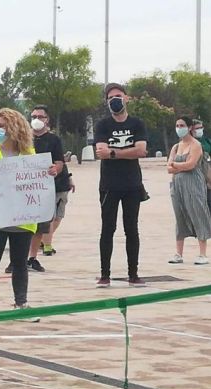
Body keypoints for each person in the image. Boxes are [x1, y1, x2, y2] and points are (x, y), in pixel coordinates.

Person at [0, 108, 46, 321]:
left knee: (20, 262)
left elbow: (38, 183)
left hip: (22, 217)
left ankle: (21, 303)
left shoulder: (29, 156)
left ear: (14, 128)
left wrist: (48, 174)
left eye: (2, 125)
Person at [94, 83, 148, 288]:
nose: (114, 100)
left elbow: (142, 150)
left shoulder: (137, 124)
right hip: (109, 184)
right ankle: (104, 274)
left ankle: (133, 274)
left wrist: (114, 153)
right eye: (110, 98)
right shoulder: (103, 125)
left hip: (132, 183)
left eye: (118, 96)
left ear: (126, 98)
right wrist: (126, 151)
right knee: (108, 229)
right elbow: (101, 151)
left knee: (131, 228)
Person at [10, 105, 69, 273]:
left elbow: (59, 161)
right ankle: (16, 259)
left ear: (47, 119)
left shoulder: (54, 140)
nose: (36, 119)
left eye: (40, 116)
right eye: (33, 115)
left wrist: (55, 169)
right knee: (20, 224)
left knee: (41, 224)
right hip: (23, 188)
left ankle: (32, 258)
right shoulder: (21, 138)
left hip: (45, 189)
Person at [167, 116, 211, 265]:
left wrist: (176, 165)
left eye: (182, 125)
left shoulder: (196, 145)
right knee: (180, 216)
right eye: (177, 125)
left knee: (198, 213)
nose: (179, 128)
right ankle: (178, 253)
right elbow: (168, 168)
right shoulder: (176, 147)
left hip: (194, 184)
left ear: (190, 127)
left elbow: (191, 164)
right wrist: (177, 166)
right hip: (177, 185)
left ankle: (202, 253)